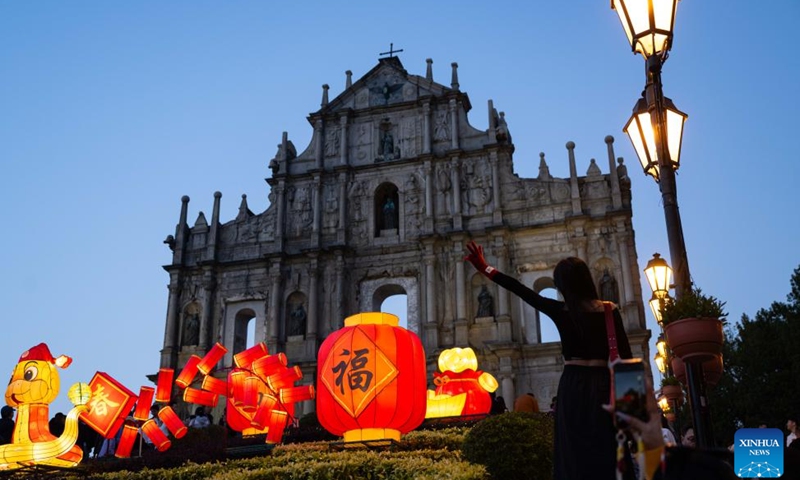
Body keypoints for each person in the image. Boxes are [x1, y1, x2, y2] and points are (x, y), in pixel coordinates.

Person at [465, 240, 632, 480]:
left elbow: (520, 290)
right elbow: (626, 359)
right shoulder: (609, 311)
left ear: (563, 286)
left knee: (573, 452)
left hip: (573, 386)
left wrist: (485, 268)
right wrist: (635, 414)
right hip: (605, 386)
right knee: (610, 448)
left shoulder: (561, 311)